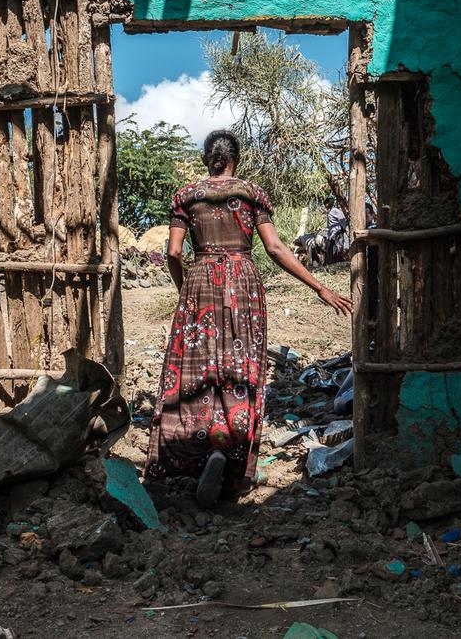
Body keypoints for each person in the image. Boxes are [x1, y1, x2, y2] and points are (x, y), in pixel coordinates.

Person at [144, 130, 353, 507]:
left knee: (195, 369)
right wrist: (321, 288)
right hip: (243, 283)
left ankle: (195, 449)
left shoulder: (185, 197)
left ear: (207, 159)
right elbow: (274, 247)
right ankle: (232, 457)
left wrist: (185, 289)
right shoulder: (251, 194)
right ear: (235, 159)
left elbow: (174, 253)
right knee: (240, 368)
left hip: (200, 280)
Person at [324, 196, 348, 265]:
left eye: (326, 204)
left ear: (328, 203)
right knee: (332, 250)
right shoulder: (330, 211)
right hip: (332, 235)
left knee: (338, 249)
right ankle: (333, 264)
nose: (325, 206)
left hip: (337, 233)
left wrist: (342, 229)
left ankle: (338, 264)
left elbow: (342, 220)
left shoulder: (335, 211)